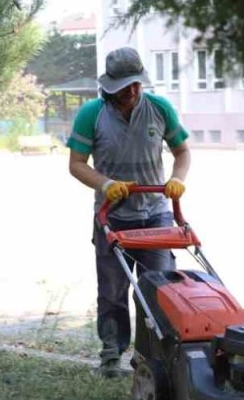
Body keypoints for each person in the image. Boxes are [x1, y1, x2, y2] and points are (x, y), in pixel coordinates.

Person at [67, 47, 192, 378]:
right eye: (125, 85)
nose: (132, 91)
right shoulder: (91, 114)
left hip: (155, 214)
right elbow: (76, 165)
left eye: (137, 84)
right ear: (109, 85)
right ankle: (111, 356)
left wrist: (177, 179)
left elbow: (182, 151)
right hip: (113, 216)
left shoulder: (160, 108)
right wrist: (106, 184)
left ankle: (156, 358)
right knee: (112, 291)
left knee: (160, 288)